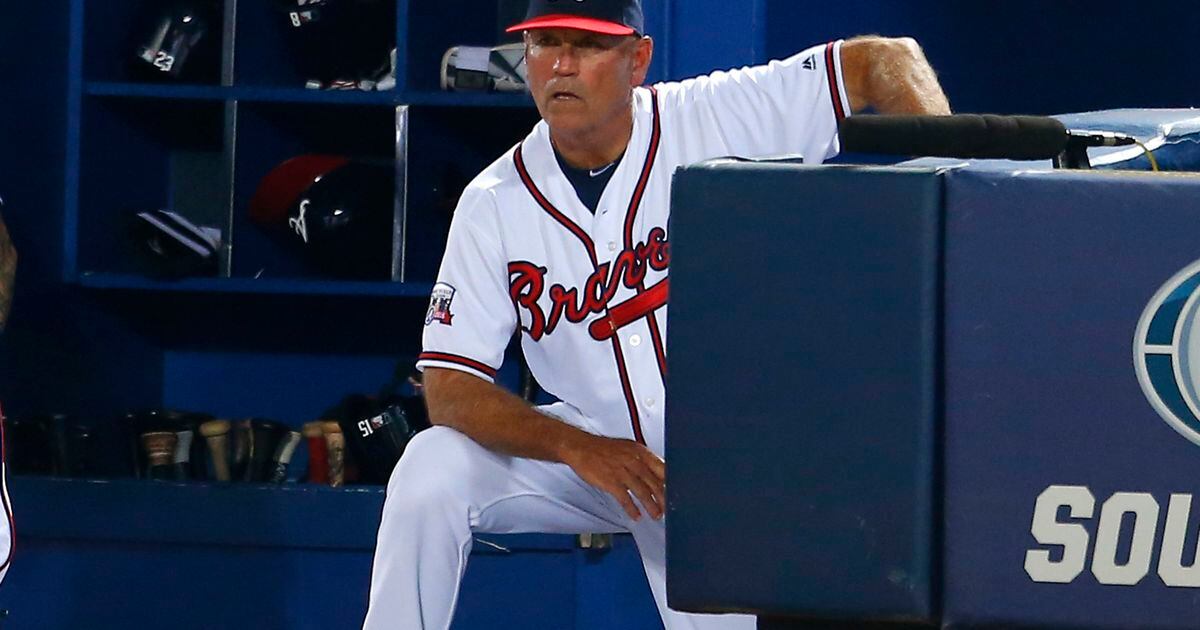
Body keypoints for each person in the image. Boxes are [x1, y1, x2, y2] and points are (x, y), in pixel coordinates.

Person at [364, 0, 950, 627]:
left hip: (725, 463)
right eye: (543, 43)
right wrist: (576, 447)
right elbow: (450, 389)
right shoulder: (493, 201)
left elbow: (884, 61)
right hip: (593, 452)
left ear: (637, 59)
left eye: (587, 45)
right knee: (431, 467)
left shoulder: (713, 116)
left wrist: (966, 200)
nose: (561, 64)